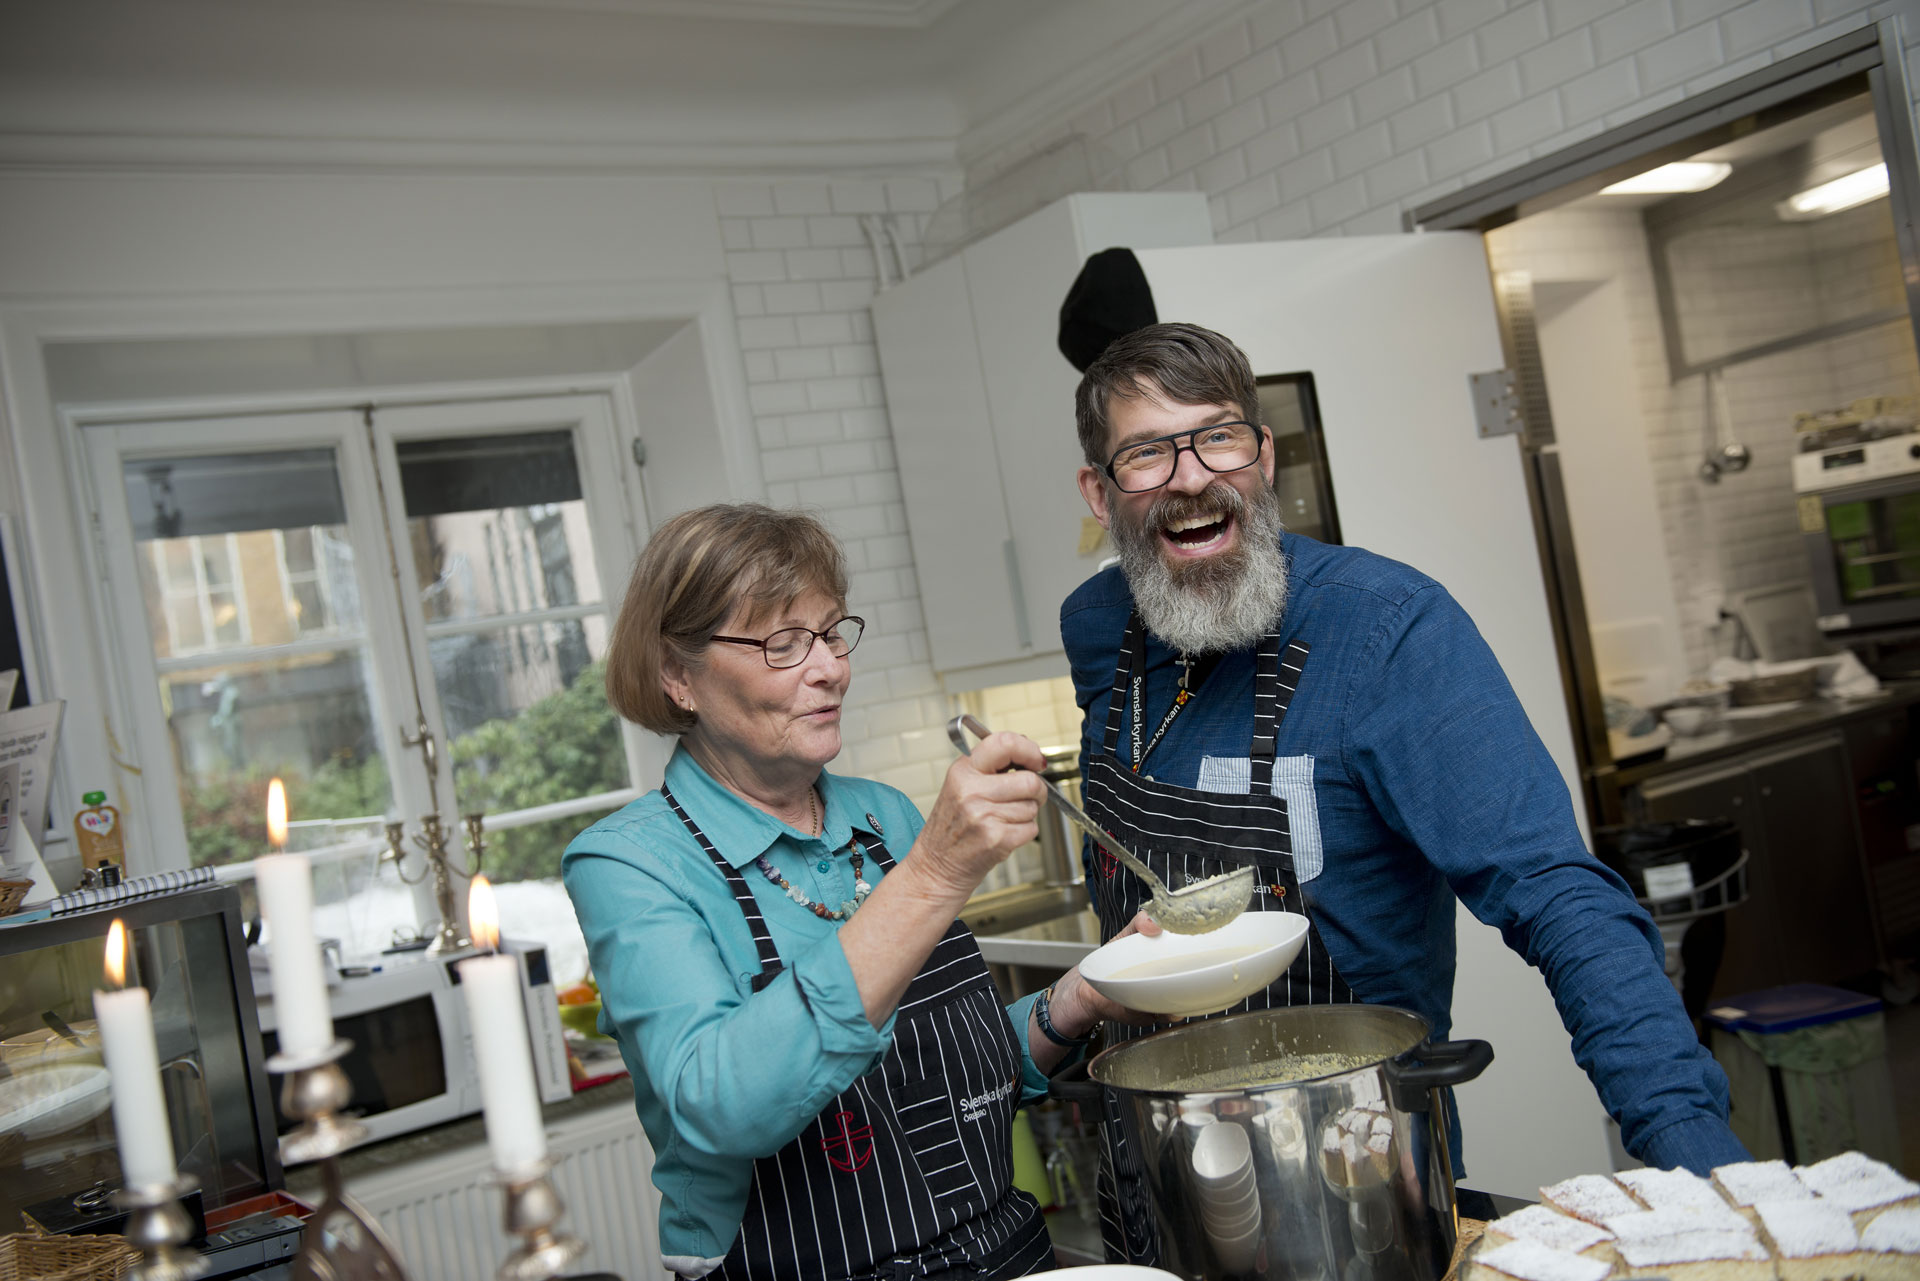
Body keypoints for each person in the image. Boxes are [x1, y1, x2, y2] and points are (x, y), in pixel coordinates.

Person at [1059, 323, 1748, 1259]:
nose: (1190, 477)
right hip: (1149, 1187)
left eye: (1219, 435)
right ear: (1100, 494)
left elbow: (1558, 894)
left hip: (1351, 1188)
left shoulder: (1386, 630)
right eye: (1146, 453)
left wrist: (1704, 1177)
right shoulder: (1101, 627)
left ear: (1262, 456)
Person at [563, 503, 1140, 1281]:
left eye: (832, 632)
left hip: (1000, 1253)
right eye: (782, 642)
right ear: (678, 674)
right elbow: (721, 1106)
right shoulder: (630, 864)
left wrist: (1079, 996)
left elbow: (950, 1079)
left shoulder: (885, 817)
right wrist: (934, 873)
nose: (830, 665)